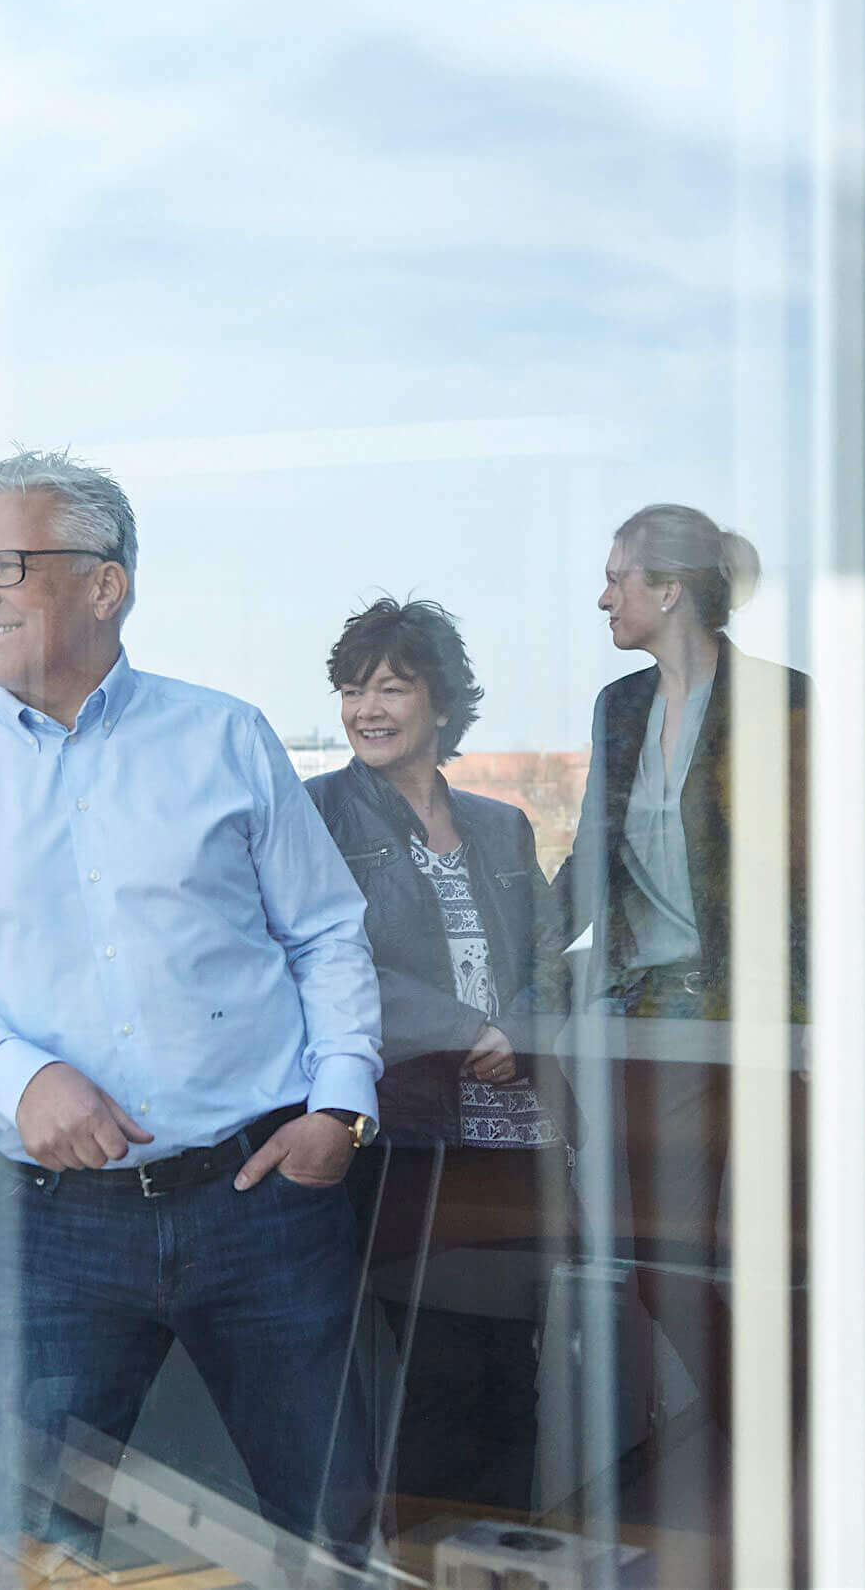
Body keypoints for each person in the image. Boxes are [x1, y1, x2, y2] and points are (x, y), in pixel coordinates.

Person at [0, 450, 384, 1568]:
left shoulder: (226, 736)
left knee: (331, 1533)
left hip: (264, 1201)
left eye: (5, 563)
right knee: (25, 1547)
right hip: (56, 1230)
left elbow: (325, 934)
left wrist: (340, 1112)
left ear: (105, 584)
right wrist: (22, 1077)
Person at [552, 502, 810, 1537]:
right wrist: (522, 985)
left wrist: (810, 1025)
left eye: (618, 577)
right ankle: (759, 1446)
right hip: (645, 1021)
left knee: (758, 1255)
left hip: (753, 1023)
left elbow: (810, 876)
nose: (602, 597)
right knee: (653, 1256)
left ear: (668, 589)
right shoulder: (619, 706)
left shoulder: (781, 700)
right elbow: (590, 858)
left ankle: (784, 1461)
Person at [302, 598, 575, 1519]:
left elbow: (550, 957)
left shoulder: (502, 827)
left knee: (514, 1375)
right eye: (352, 690)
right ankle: (426, 1562)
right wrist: (463, 1029)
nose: (366, 709)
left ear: (442, 702)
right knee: (439, 1376)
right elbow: (326, 959)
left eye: (390, 687)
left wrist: (520, 1031)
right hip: (409, 1141)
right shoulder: (320, 815)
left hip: (516, 1143)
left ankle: (501, 1560)